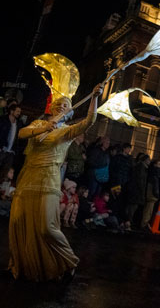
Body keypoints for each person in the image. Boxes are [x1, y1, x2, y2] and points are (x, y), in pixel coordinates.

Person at [8, 84, 103, 282]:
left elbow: (89, 121)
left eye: (66, 105)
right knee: (18, 221)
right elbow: (21, 133)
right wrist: (43, 126)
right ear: (51, 108)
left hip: (49, 178)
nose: (62, 106)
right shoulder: (37, 124)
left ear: (69, 112)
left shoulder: (67, 131)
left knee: (47, 227)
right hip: (28, 177)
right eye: (59, 103)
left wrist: (94, 97)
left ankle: (69, 260)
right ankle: (25, 263)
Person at [141, 159, 160, 230]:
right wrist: (156, 194)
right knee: (148, 210)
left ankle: (145, 223)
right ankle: (144, 224)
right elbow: (154, 185)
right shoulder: (155, 174)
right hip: (152, 195)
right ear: (155, 164)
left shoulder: (151, 172)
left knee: (147, 210)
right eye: (159, 164)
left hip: (150, 194)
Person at [0, 104, 22, 169]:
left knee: (5, 171)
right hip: (2, 149)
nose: (19, 113)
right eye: (17, 111)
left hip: (11, 152)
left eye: (20, 112)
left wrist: (15, 150)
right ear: (12, 111)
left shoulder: (19, 123)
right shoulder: (2, 120)